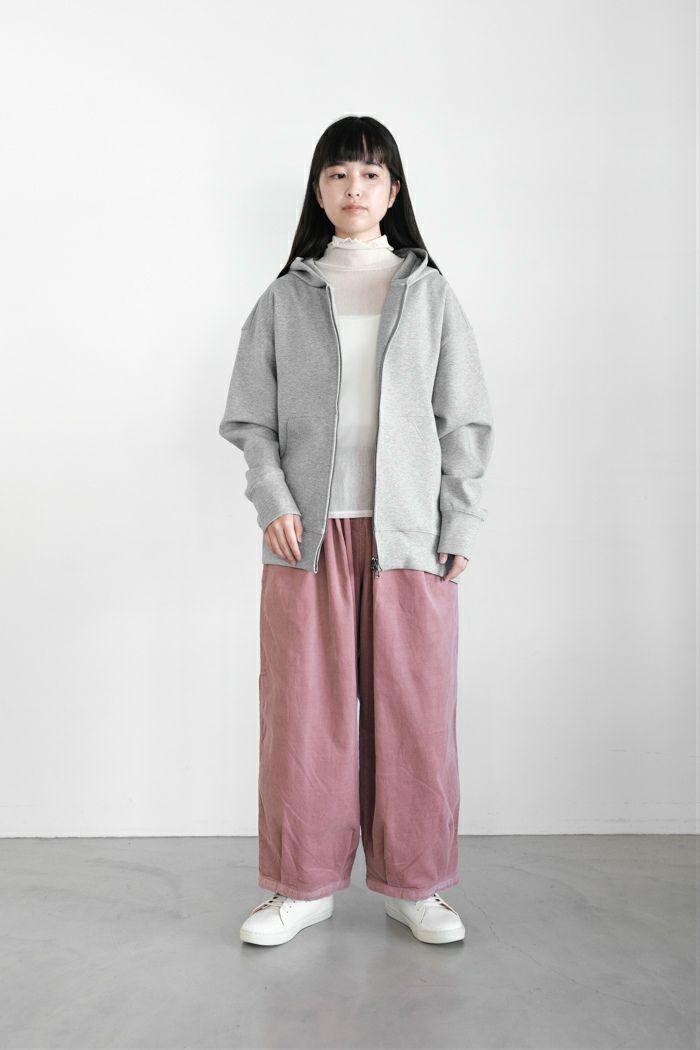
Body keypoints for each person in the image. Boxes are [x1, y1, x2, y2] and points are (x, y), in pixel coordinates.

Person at [219, 115, 495, 947]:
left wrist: (461, 518)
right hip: (305, 540)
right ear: (319, 190)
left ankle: (417, 885)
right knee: (304, 714)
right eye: (339, 173)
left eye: (370, 174)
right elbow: (250, 418)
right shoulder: (285, 297)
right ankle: (301, 886)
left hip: (408, 537)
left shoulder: (430, 293)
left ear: (393, 190)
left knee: (415, 712)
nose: (354, 188)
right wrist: (274, 500)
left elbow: (464, 419)